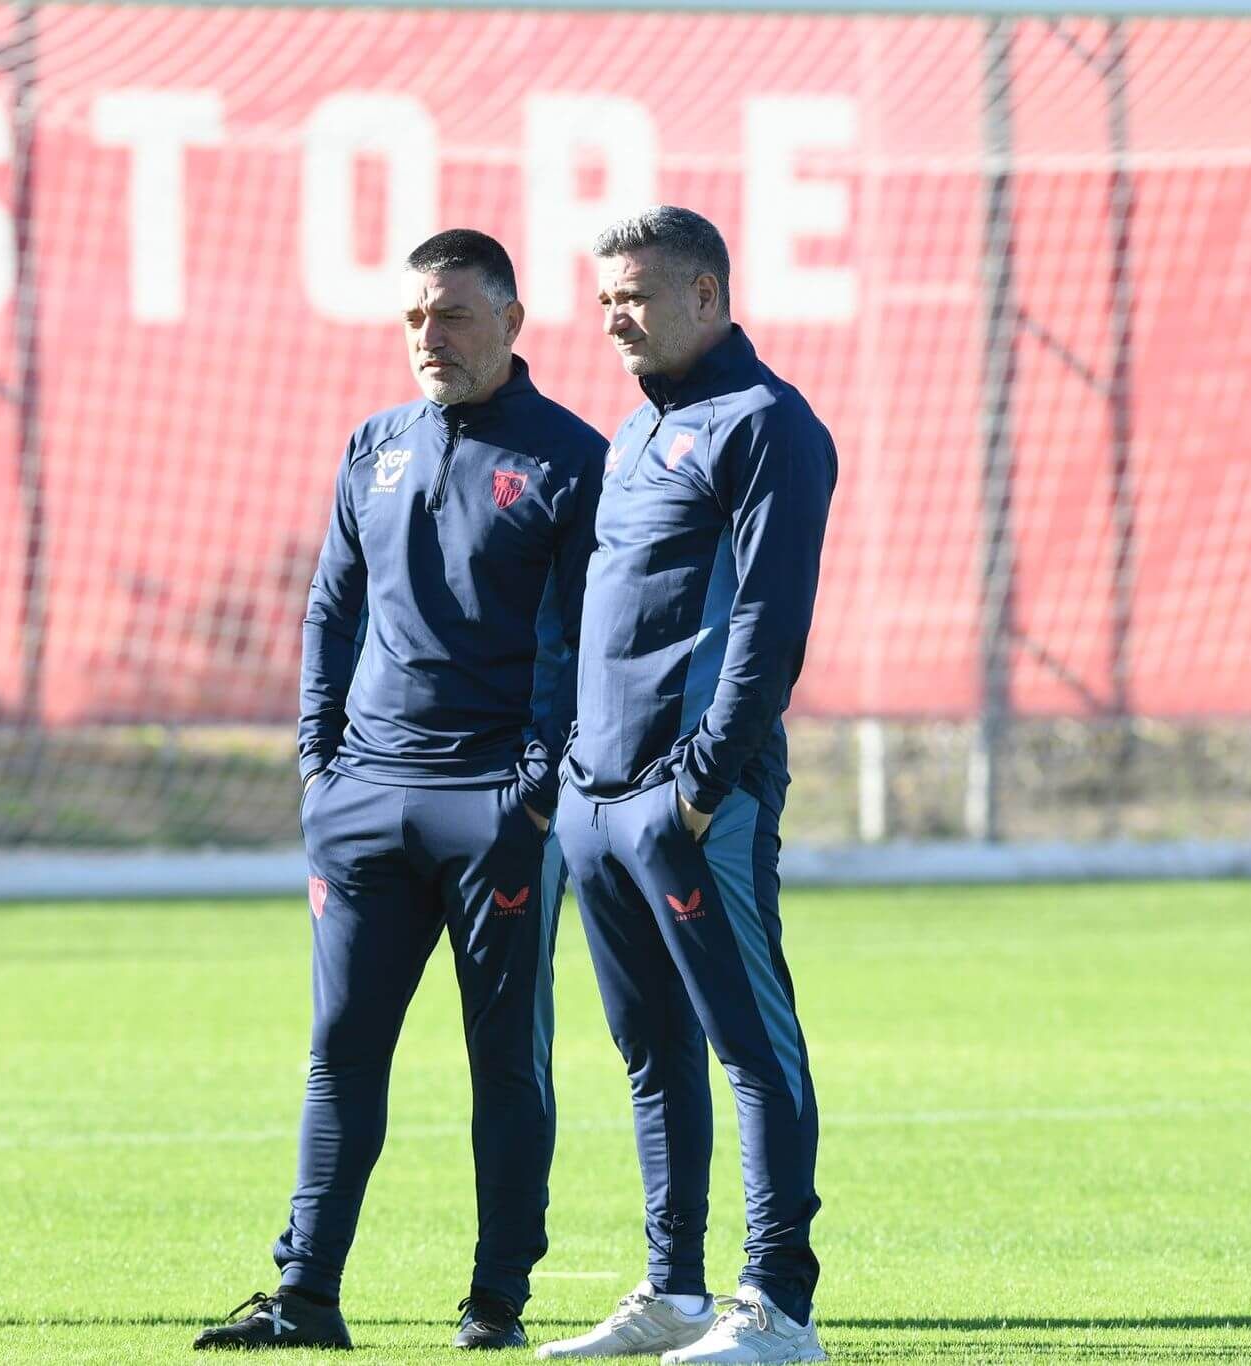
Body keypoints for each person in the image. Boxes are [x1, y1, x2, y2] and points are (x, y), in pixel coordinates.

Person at [194, 230, 605, 1353]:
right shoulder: (371, 445)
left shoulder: (573, 459)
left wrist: (533, 791)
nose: (431, 336)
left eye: (455, 314)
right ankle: (305, 1296)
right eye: (416, 316)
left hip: (496, 806)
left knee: (504, 1058)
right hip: (363, 802)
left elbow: (585, 644)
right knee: (339, 1050)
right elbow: (331, 609)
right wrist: (317, 765)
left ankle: (496, 1300)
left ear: (511, 323)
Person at [537, 207, 836, 1365]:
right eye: (604, 298)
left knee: (750, 1047)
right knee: (650, 1054)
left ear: (705, 294)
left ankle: (777, 1307)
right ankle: (673, 1291)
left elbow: (766, 626)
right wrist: (577, 774)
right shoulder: (633, 431)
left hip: (693, 804)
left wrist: (700, 785)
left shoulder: (766, 424)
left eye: (636, 295)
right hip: (598, 799)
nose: (614, 317)